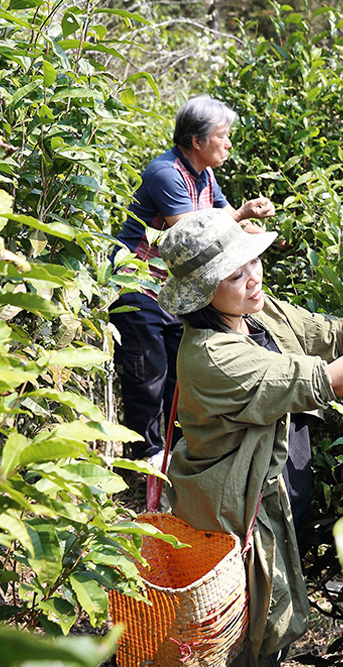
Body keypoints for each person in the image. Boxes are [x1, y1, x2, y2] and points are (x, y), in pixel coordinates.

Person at [155, 208, 343, 666]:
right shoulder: (211, 356)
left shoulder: (253, 311)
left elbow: (338, 335)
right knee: (238, 634)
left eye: (252, 262)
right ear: (202, 292)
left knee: (264, 625)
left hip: (275, 500)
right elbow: (329, 380)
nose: (253, 278)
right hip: (238, 519)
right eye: (235, 274)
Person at [111, 95, 275, 466]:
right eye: (223, 135)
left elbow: (221, 220)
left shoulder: (204, 174)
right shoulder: (166, 173)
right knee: (146, 376)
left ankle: (172, 456)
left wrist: (246, 222)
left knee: (178, 376)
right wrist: (242, 213)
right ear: (196, 140)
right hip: (139, 287)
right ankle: (146, 461)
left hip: (174, 290)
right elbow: (190, 235)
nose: (229, 143)